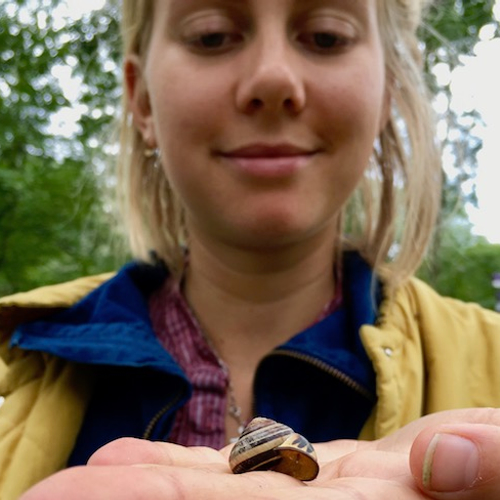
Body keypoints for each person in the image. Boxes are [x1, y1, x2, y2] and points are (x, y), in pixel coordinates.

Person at [1, 0, 500, 498]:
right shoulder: (17, 365)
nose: (273, 79)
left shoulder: (489, 365)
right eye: (211, 35)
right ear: (143, 100)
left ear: (389, 87)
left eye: (327, 36)